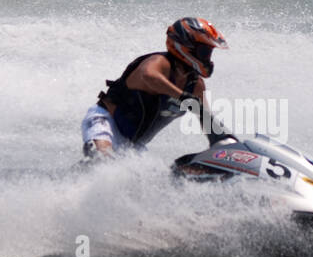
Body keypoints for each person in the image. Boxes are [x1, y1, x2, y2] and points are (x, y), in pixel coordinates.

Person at [81, 17, 228, 159]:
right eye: (204, 52)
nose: (208, 58)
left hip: (133, 144)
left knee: (148, 180)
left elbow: (206, 117)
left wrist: (224, 144)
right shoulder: (160, 63)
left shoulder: (195, 85)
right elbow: (148, 75)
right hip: (105, 123)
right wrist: (182, 96)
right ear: (186, 46)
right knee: (102, 161)